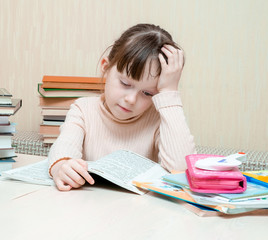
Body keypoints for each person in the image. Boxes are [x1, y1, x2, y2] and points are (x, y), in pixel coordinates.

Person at [48, 23, 196, 191]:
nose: (131, 99)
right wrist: (61, 166)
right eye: (125, 83)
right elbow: (63, 147)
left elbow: (181, 171)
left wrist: (169, 92)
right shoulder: (83, 109)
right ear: (105, 67)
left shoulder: (160, 119)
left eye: (147, 93)